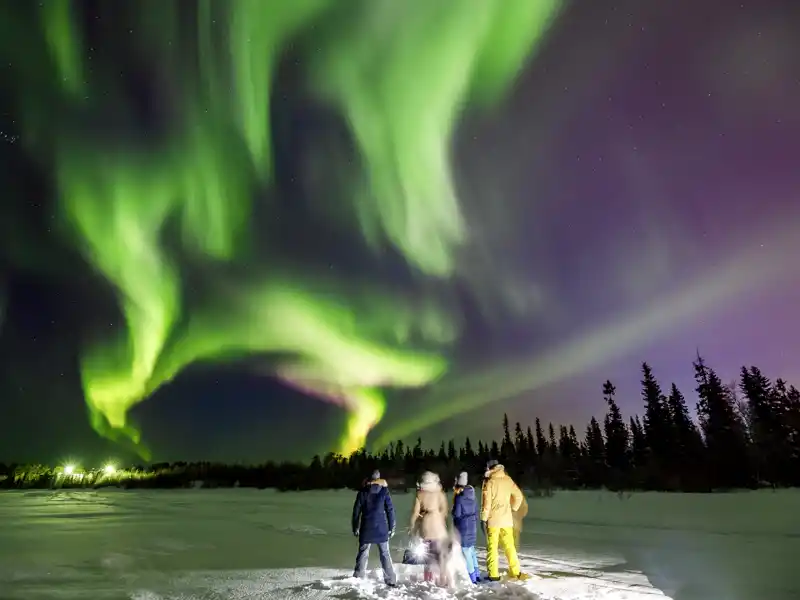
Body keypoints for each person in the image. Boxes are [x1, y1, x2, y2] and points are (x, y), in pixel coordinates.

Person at [480, 460, 529, 581]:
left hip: (493, 521)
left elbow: (487, 504)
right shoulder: (508, 480)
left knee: (492, 548)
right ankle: (516, 571)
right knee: (510, 547)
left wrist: (483, 518)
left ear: (490, 468)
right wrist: (513, 508)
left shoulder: (490, 482)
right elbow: (518, 496)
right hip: (507, 520)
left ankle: (493, 574)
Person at [352, 470, 397, 586]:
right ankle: (390, 580)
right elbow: (390, 510)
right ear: (379, 478)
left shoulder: (363, 492)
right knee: (385, 554)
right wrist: (392, 526)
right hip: (381, 529)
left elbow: (356, 512)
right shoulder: (384, 491)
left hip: (366, 529)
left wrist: (355, 526)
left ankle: (358, 578)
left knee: (363, 554)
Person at [409, 471, 449, 584]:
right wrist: (440, 518)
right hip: (438, 527)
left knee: (428, 555)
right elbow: (444, 510)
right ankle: (442, 577)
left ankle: (428, 578)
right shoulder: (440, 493)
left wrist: (412, 525)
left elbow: (415, 513)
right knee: (440, 554)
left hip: (426, 527)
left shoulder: (420, 494)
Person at [452, 471, 481, 583]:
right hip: (472, 526)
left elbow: (457, 514)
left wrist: (453, 511)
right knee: (472, 550)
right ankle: (477, 573)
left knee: (466, 551)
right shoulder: (473, 496)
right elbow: (476, 512)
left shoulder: (460, 498)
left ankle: (472, 577)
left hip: (463, 528)